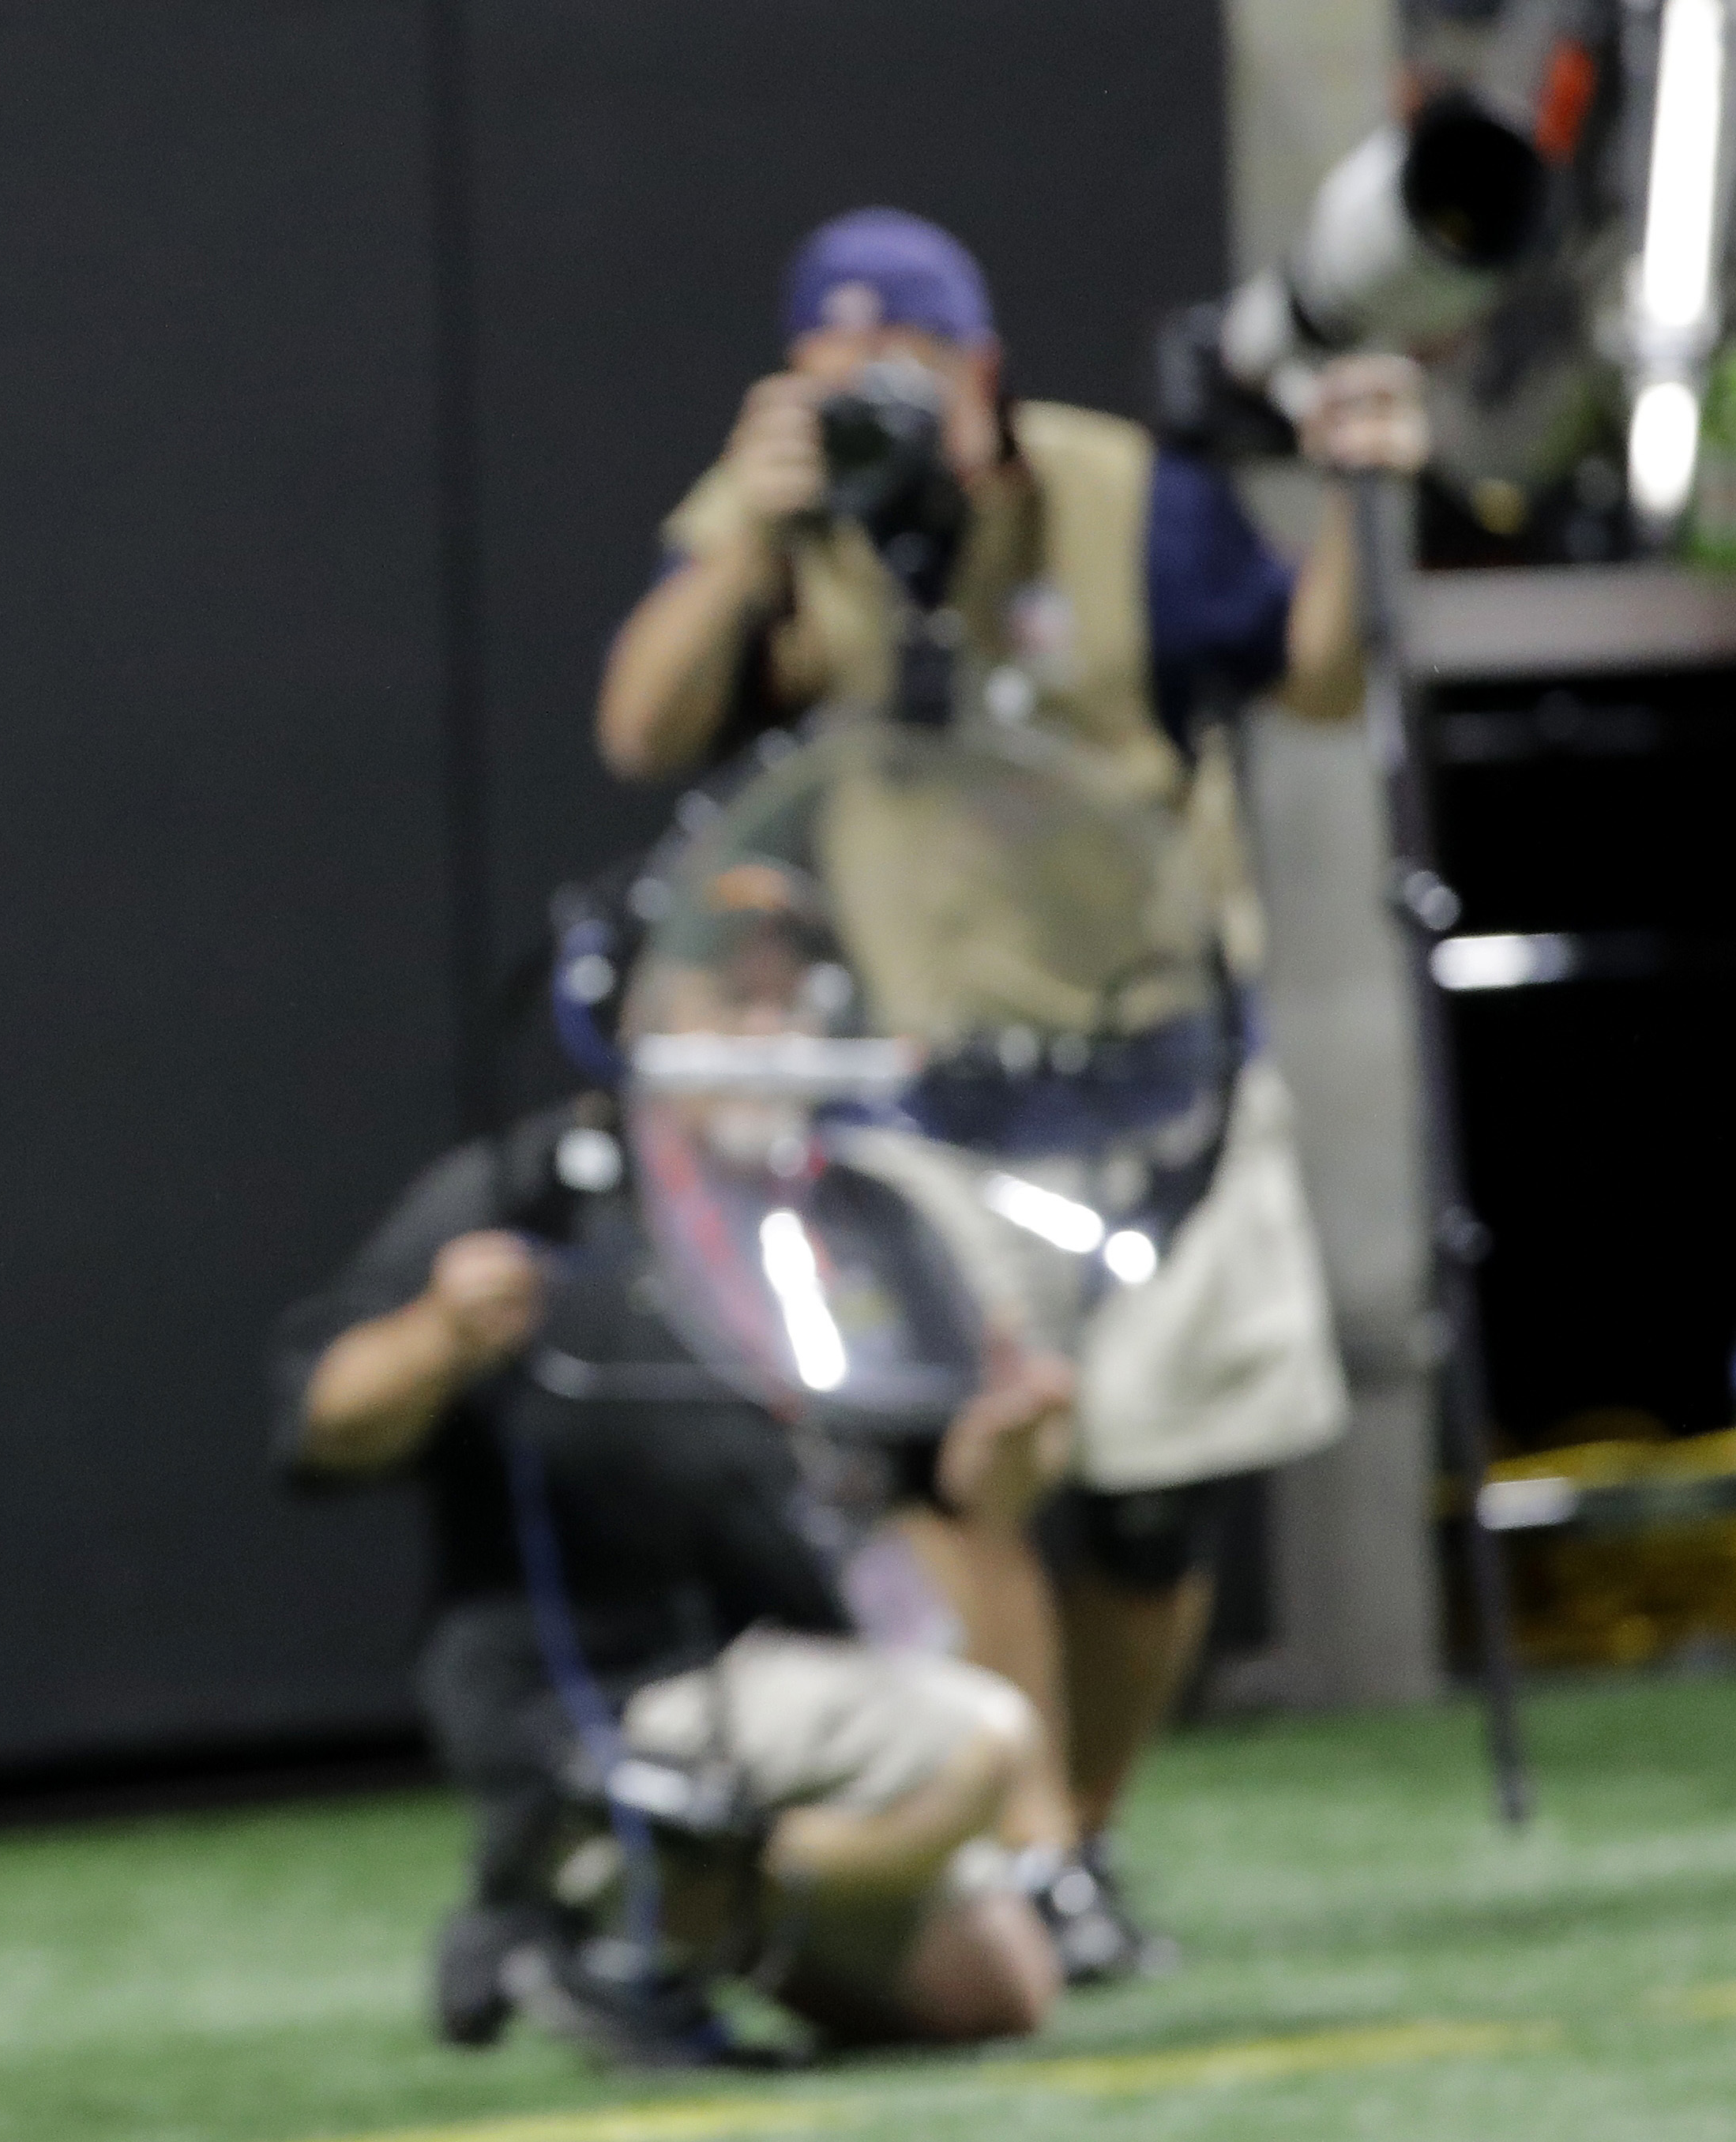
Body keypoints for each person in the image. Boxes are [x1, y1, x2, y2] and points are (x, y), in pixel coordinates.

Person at [593, 206, 1400, 1977]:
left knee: (1146, 1512)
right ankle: (1027, 1840)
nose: (878, 398)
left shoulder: (1123, 502)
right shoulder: (792, 537)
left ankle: (1075, 1841)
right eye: (837, 370)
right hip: (923, 1090)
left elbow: (1317, 679)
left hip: (1153, 1072)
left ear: (984, 369)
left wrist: (1354, 495)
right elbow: (641, 731)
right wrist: (744, 519)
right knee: (967, 1480)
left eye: (910, 366)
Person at [274, 1076, 1076, 2059]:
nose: (761, 1022)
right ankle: (621, 1901)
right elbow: (317, 1428)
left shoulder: (841, 1203)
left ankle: (625, 1922)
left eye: (785, 985)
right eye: (728, 989)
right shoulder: (530, 1187)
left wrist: (1011, 1452)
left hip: (793, 1667)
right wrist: (437, 1335)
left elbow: (955, 1497)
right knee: (976, 1744)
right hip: (602, 1696)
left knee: (995, 1991)